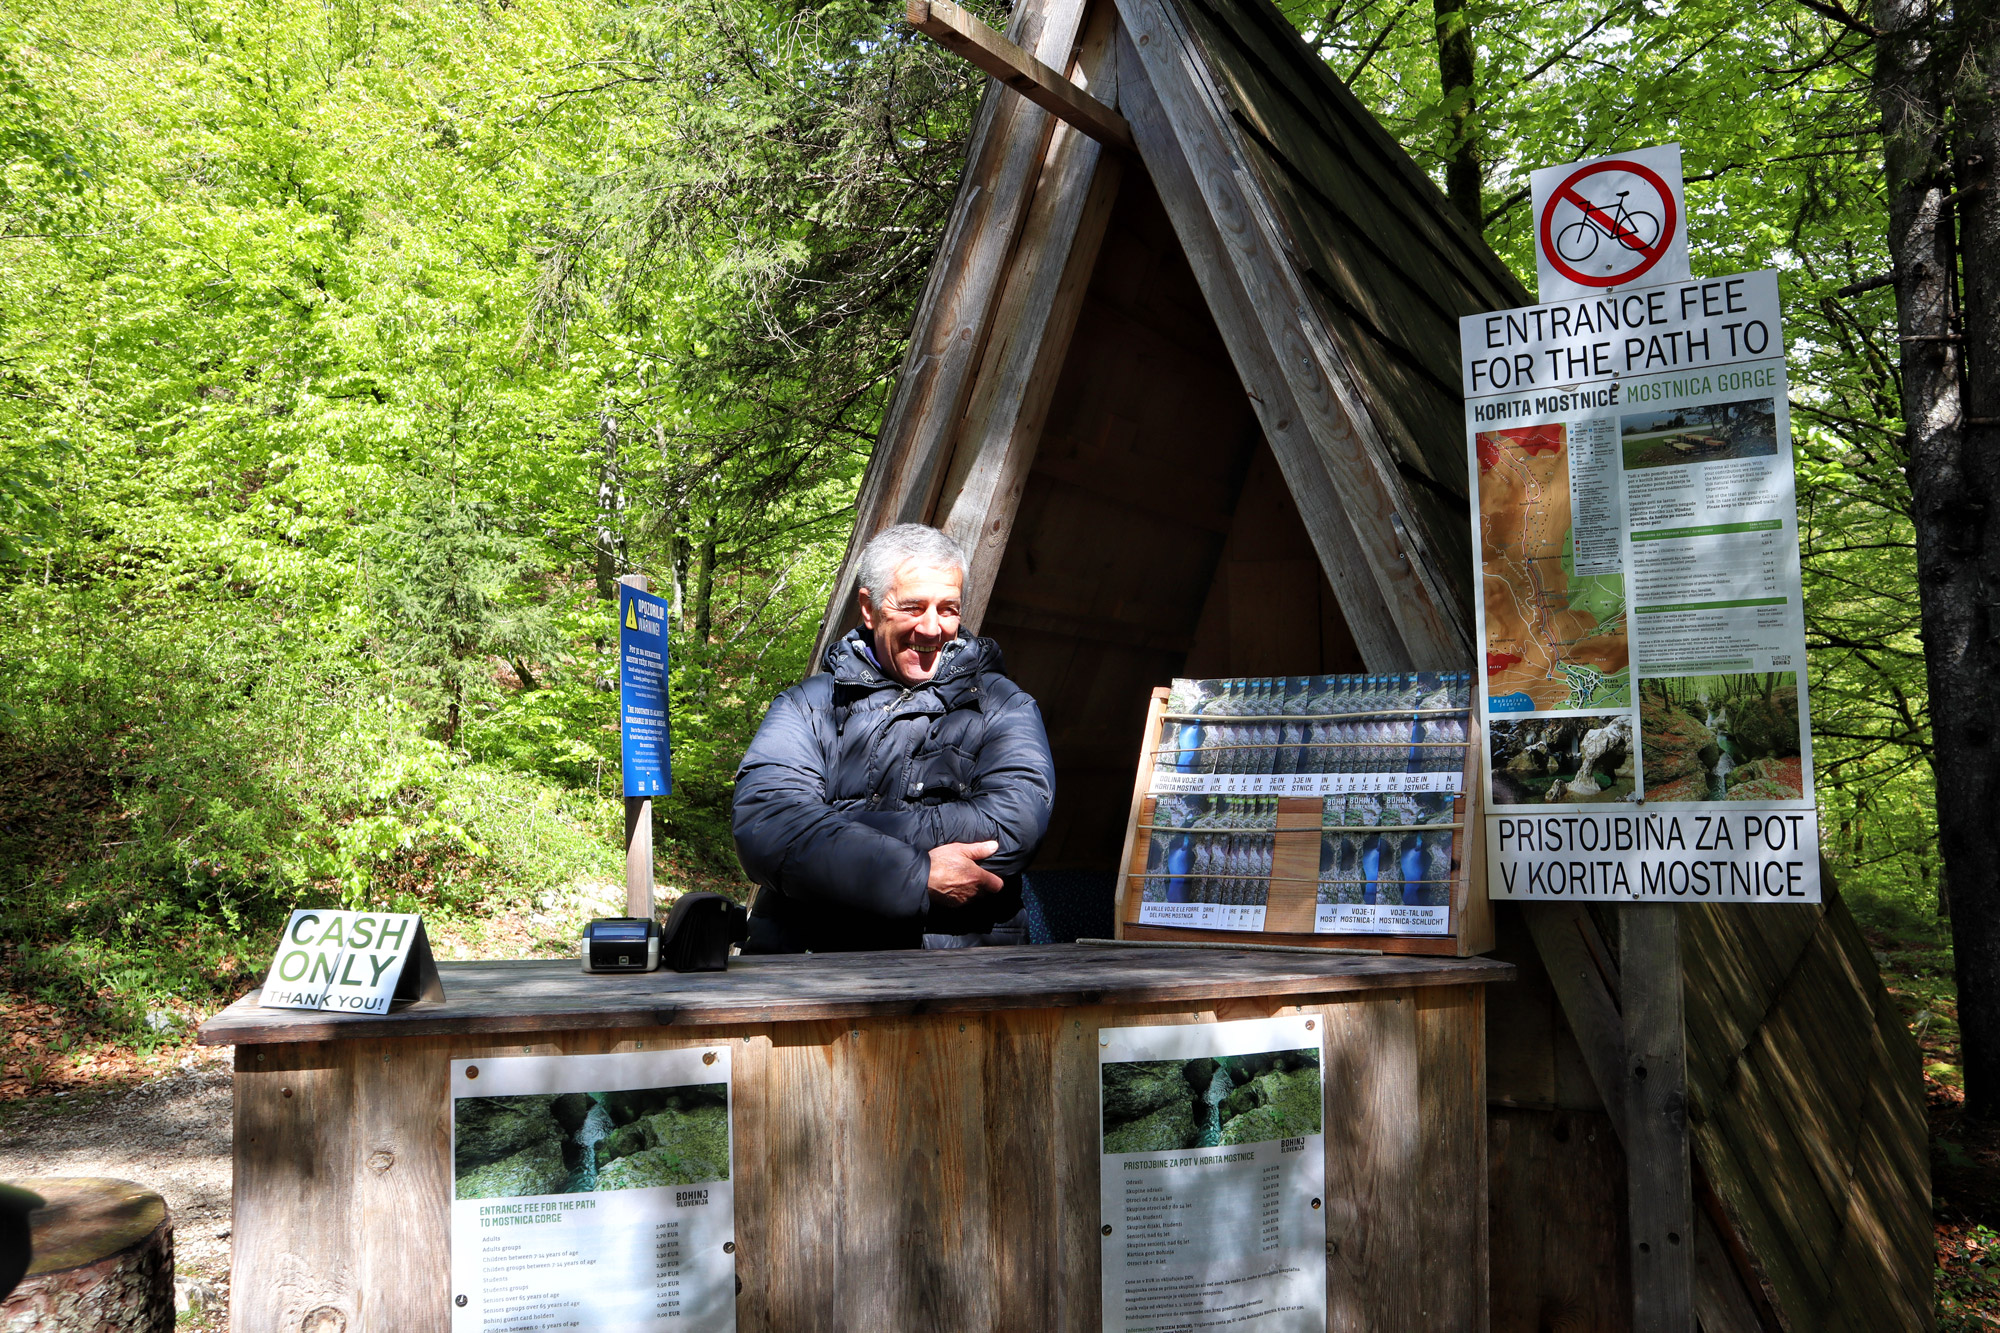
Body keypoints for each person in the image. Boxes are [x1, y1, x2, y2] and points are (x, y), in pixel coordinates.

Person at [731, 523, 1055, 952]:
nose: (931, 628)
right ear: (868, 608)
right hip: (811, 970)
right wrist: (917, 876)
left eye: (948, 608)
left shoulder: (1004, 707)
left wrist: (830, 826)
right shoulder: (807, 707)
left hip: (958, 975)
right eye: (912, 607)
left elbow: (1011, 827)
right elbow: (765, 827)